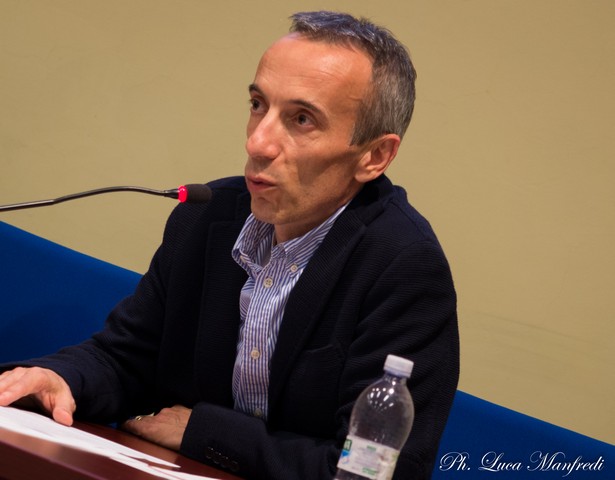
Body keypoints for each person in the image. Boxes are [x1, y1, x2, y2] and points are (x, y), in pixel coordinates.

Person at [0, 11, 459, 479]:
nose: (258, 142)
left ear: (375, 156)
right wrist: (60, 378)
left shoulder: (404, 267)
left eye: (301, 119)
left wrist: (206, 433)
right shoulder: (209, 215)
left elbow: (375, 471)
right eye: (258, 105)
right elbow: (128, 359)